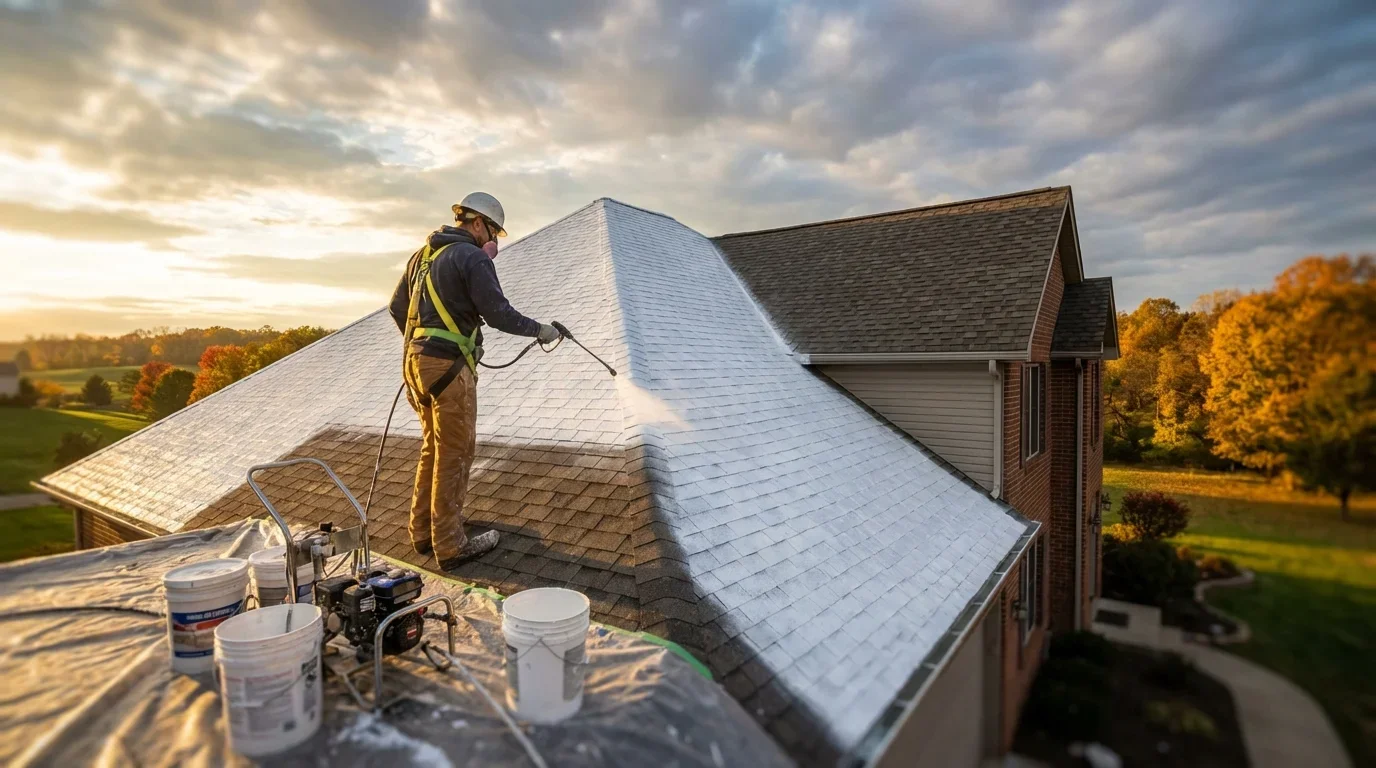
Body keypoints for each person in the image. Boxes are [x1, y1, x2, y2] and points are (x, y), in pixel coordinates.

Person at [388, 192, 559, 570]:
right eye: (494, 232)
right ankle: (449, 543)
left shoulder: (422, 256)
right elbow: (498, 313)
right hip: (447, 368)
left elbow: (398, 308)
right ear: (479, 223)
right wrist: (540, 330)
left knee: (433, 446)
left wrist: (426, 342)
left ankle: (422, 532)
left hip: (414, 366)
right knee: (457, 451)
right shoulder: (470, 257)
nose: (494, 241)